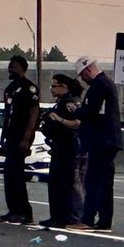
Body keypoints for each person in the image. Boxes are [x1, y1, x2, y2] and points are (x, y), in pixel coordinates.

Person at [69, 56, 121, 231]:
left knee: (94, 181)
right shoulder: (105, 83)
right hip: (106, 139)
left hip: (102, 140)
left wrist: (77, 111)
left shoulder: (100, 85)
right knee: (104, 182)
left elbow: (92, 111)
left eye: (82, 75)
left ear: (88, 70)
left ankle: (88, 219)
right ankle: (104, 221)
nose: (82, 79)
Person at [0, 55, 39, 224]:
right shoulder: (10, 88)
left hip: (22, 135)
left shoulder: (30, 89)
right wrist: (3, 135)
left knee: (17, 174)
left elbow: (33, 114)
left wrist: (26, 138)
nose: (10, 69)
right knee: (9, 174)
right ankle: (13, 210)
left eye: (13, 66)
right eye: (9, 66)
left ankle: (24, 212)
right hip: (11, 135)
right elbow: (7, 113)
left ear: (22, 68)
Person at [40, 73, 83, 228]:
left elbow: (78, 123)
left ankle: (70, 217)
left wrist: (58, 120)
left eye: (54, 86)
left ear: (64, 87)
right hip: (58, 146)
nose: (51, 89)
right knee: (55, 183)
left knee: (67, 183)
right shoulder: (59, 103)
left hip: (68, 148)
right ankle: (56, 216)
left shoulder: (70, 103)